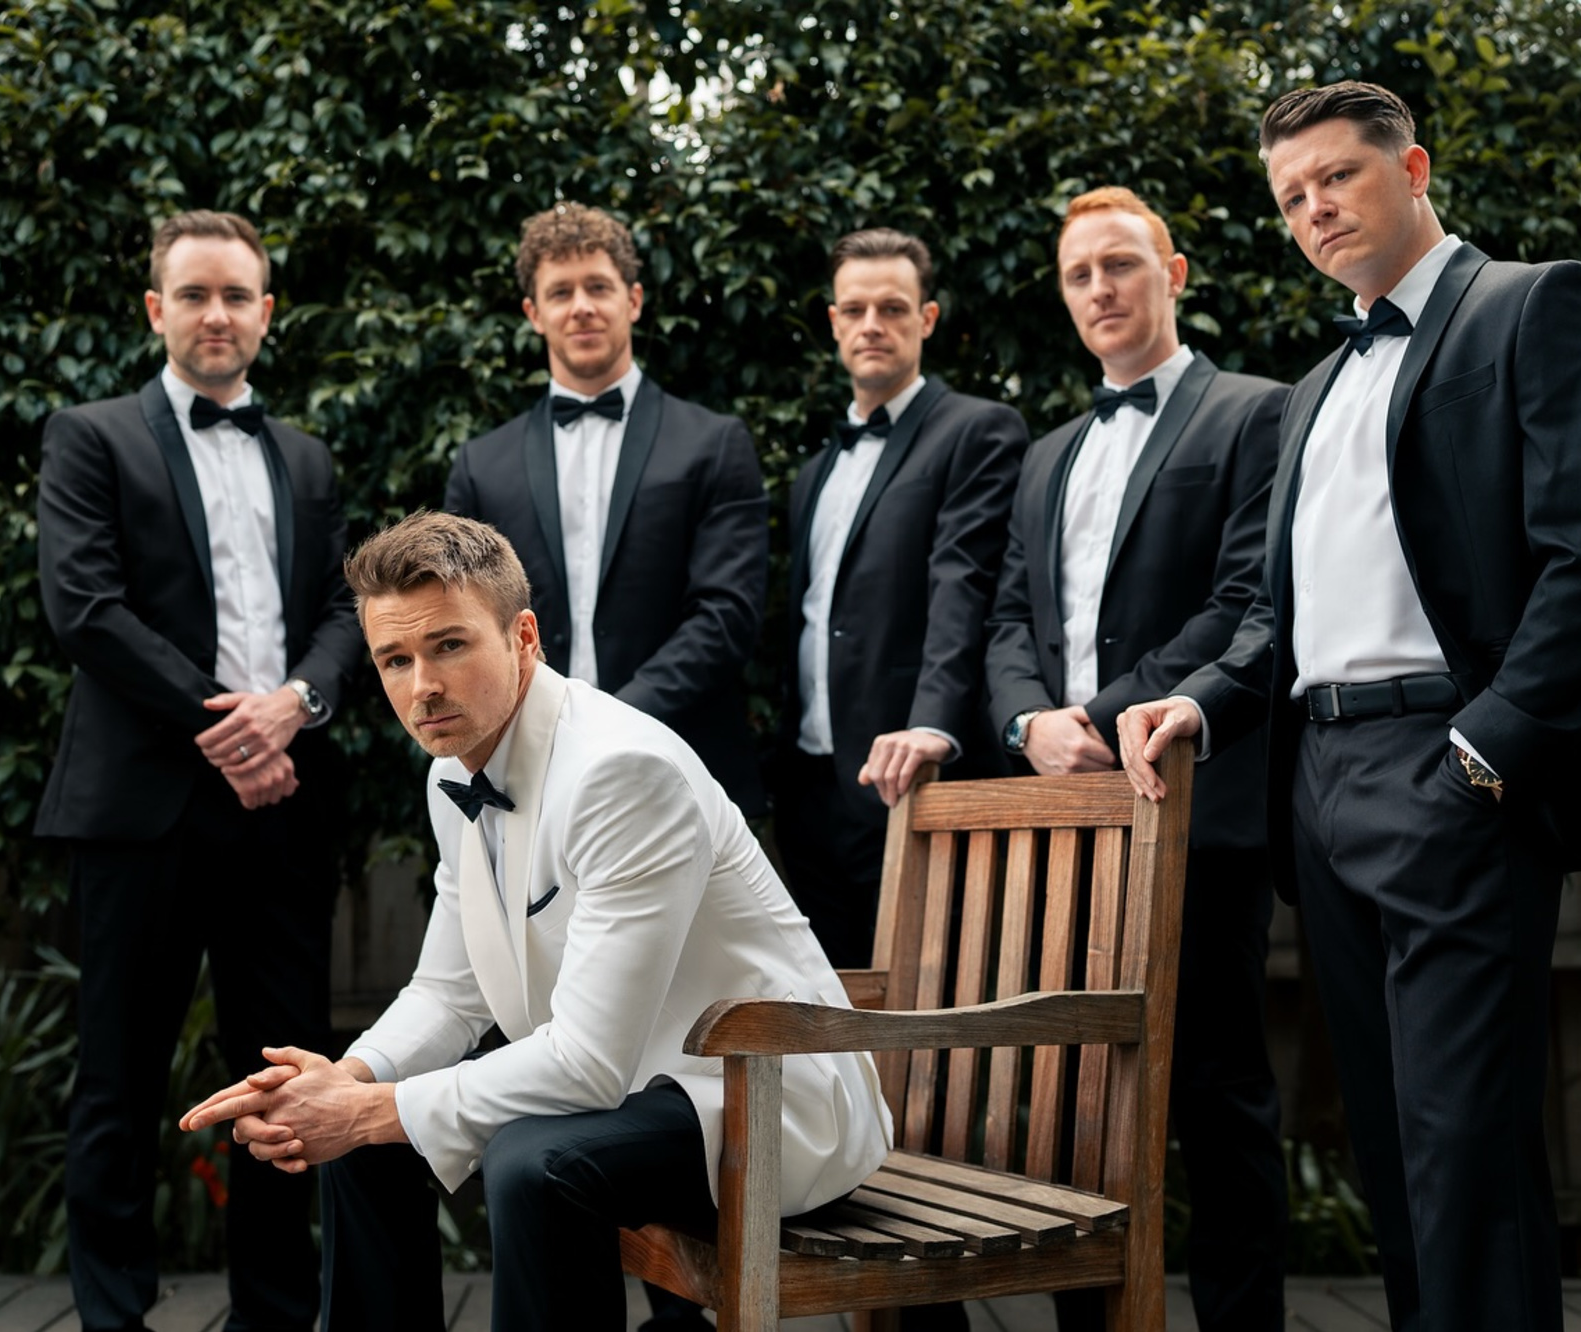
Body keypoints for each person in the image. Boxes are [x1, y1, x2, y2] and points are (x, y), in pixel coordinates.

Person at [1115, 82, 1581, 1332]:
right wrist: (1199, 705)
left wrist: (1483, 754)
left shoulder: (1532, 304)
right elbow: (1274, 614)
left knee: (1461, 1149)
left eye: (1337, 176)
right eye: (1290, 197)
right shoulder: (1313, 387)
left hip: (1449, 766)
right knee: (1388, 1147)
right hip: (1317, 788)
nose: (1314, 209)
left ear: (1413, 167)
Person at [179, 511, 892, 1332]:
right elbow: (448, 994)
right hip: (632, 1093)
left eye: (449, 645)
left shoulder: (623, 771)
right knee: (367, 1138)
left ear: (523, 637)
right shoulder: (452, 772)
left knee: (531, 1161)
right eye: (395, 660)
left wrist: (369, 1109)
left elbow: (586, 1063)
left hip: (759, 1101)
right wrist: (350, 1080)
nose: (422, 686)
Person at [35, 209, 364, 1332]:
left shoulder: (306, 457)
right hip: (142, 814)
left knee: (282, 1082)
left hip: (283, 814)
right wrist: (234, 731)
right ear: (155, 310)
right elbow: (85, 608)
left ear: (266, 313)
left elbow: (345, 611)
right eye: (193, 295)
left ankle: (273, 1316)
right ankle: (112, 1319)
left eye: (235, 296)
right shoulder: (90, 437)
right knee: (118, 1081)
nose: (215, 314)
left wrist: (296, 705)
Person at [983, 186, 1289, 1332]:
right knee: (1072, 1103)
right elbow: (1007, 620)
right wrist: (1026, 723)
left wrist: (1096, 713)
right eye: (1078, 274)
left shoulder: (1256, 413)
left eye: (1119, 263)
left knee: (1216, 1096)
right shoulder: (1045, 455)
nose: (1099, 288)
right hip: (1063, 815)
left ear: (1173, 272)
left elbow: (1244, 598)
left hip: (1194, 805)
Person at [443, 202, 768, 816]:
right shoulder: (482, 465)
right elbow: (464, 622)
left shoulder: (714, 443)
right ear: (534, 313)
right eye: (560, 292)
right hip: (524, 777)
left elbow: (728, 614)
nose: (582, 307)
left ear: (633, 300)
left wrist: (606, 721)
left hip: (684, 766)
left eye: (598, 287)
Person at [775, 227, 1027, 967]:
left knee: (929, 1007)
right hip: (810, 788)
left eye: (892, 308)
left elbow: (963, 589)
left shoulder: (977, 431)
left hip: (910, 777)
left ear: (927, 318)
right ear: (833, 322)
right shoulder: (815, 472)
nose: (871, 325)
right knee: (828, 1009)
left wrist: (930, 727)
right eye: (854, 310)